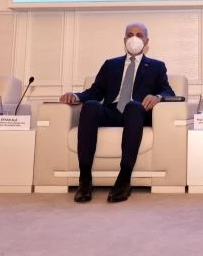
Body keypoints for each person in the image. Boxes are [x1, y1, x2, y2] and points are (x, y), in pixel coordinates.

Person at [59, 22, 175, 204]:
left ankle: (124, 179)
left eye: (139, 35)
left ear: (146, 41)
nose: (134, 38)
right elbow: (95, 92)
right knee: (90, 105)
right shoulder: (110, 64)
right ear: (124, 39)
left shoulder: (157, 66)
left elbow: (168, 91)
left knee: (134, 107)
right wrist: (76, 96)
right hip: (112, 111)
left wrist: (158, 96)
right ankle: (85, 179)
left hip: (136, 114)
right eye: (130, 35)